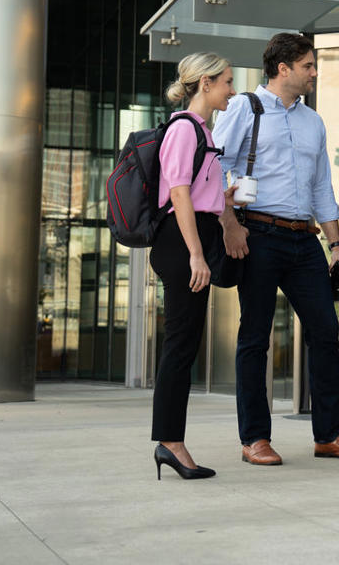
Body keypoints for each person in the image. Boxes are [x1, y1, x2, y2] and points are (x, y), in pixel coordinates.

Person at [214, 33, 339, 466]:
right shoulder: (245, 107)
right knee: (255, 338)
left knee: (325, 332)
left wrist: (336, 245)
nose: (314, 72)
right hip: (258, 235)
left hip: (305, 240)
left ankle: (329, 435)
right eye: (308, 65)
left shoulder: (313, 121)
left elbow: (322, 185)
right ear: (283, 68)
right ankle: (255, 439)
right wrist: (229, 224)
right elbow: (216, 166)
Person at [151, 52, 236, 480]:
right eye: (226, 81)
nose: (231, 89)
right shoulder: (184, 129)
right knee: (179, 345)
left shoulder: (203, 131)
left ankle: (171, 441)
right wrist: (196, 255)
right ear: (205, 83)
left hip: (194, 235)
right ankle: (170, 442)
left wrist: (227, 199)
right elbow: (179, 194)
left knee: (184, 344)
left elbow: (199, 194)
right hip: (182, 241)